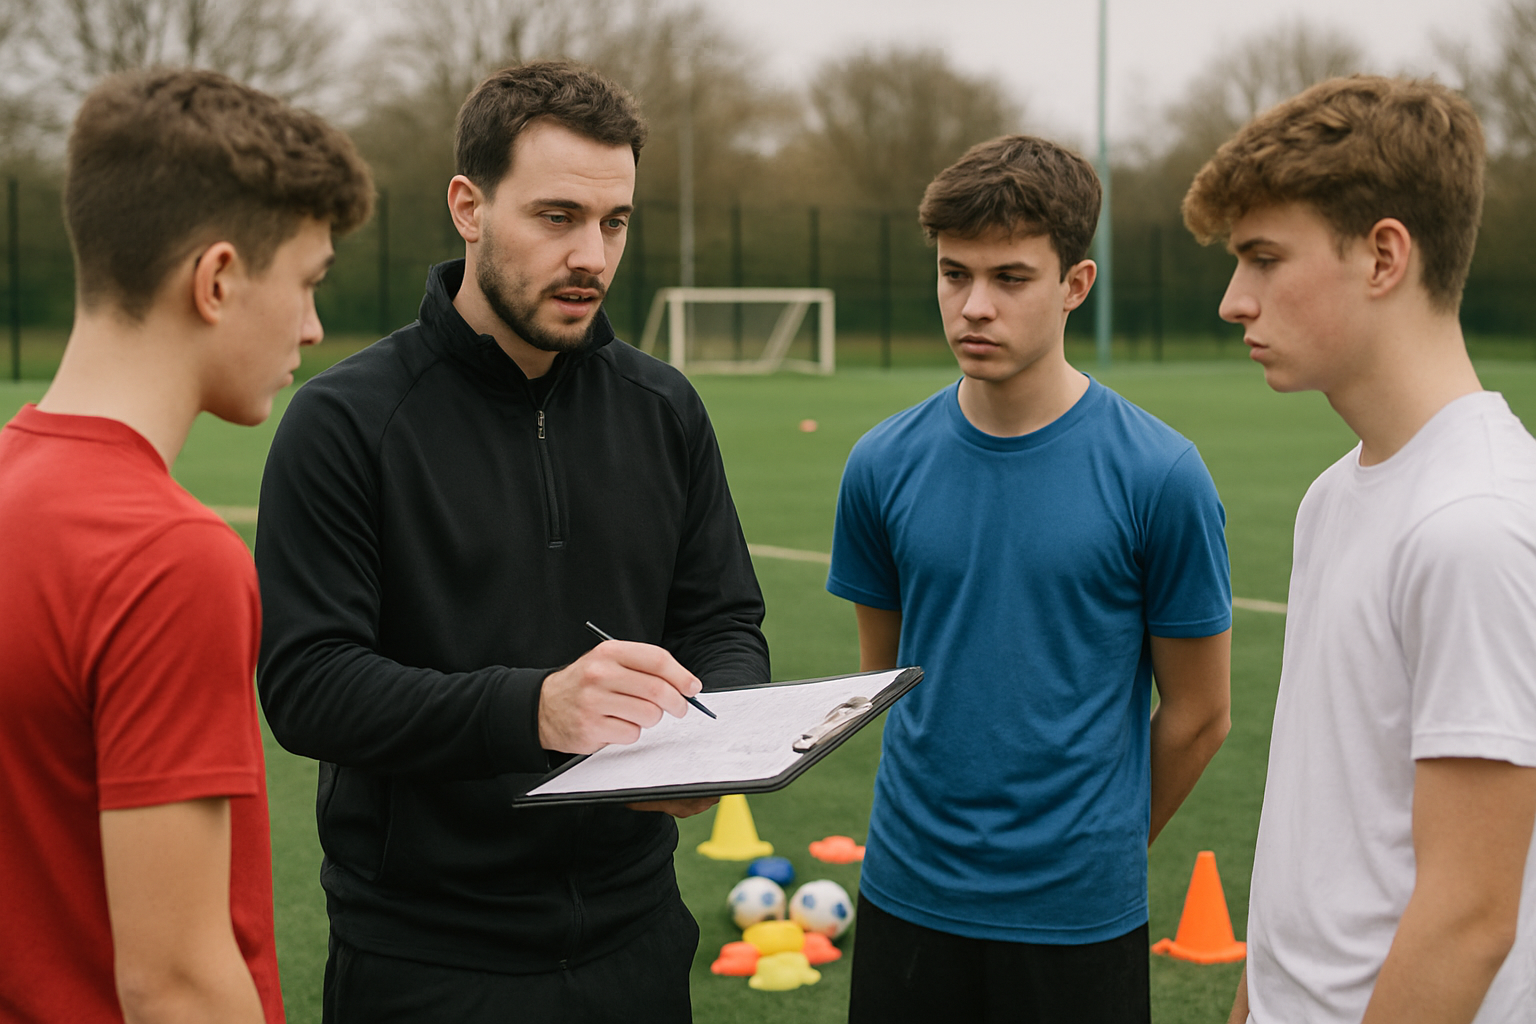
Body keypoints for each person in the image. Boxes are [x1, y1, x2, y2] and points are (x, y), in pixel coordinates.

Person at [254, 60, 768, 1023]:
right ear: (469, 205)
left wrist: (722, 737)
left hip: (637, 939)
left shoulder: (664, 409)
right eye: (557, 216)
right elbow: (308, 685)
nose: (593, 256)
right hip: (428, 960)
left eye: (614, 222)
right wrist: (534, 709)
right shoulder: (345, 421)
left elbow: (725, 619)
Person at [826, 134, 1233, 1024]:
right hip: (907, 896)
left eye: (1010, 278)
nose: (974, 306)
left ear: (1074, 285)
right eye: (953, 274)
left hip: (1078, 919)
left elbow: (1200, 715)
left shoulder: (1161, 476)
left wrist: (1101, 848)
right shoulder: (880, 464)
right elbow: (884, 682)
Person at [0, 70, 371, 1024]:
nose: (313, 326)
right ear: (216, 281)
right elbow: (173, 983)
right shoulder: (167, 559)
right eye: (306, 282)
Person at [1183, 75, 1536, 1024]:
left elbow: (1470, 918)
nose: (1233, 300)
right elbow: (1321, 816)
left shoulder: (1477, 524)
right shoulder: (1335, 496)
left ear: (1384, 255)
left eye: (1262, 258)